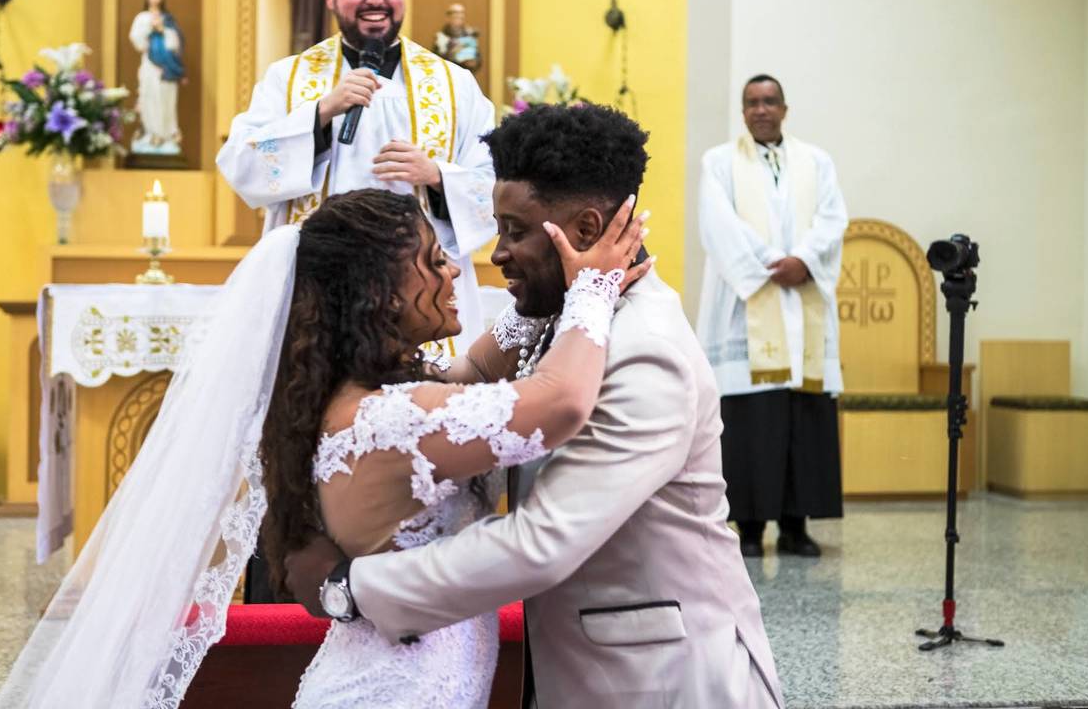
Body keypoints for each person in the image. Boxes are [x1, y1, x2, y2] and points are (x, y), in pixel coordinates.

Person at [0, 186, 650, 709]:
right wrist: (594, 288)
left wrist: (543, 297)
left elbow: (475, 372)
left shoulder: (366, 396)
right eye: (432, 259)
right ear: (377, 292)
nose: (455, 269)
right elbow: (559, 405)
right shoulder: (387, 419)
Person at [284, 104, 784, 709]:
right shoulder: (565, 317)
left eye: (515, 230)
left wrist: (350, 589)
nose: (494, 255)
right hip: (571, 667)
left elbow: (542, 540)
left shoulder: (644, 348)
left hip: (662, 678)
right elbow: (466, 380)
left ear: (585, 230)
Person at [216, 0, 496, 352]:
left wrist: (437, 175)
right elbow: (241, 165)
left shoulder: (456, 85)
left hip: (422, 295)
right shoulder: (289, 79)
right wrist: (319, 115)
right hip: (319, 291)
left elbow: (496, 184)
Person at [695, 74, 848, 558]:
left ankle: (796, 527)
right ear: (743, 112)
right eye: (751, 103)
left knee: (801, 416)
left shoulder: (816, 161)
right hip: (747, 304)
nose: (761, 110)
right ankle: (751, 526)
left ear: (785, 108)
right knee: (750, 421)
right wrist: (770, 264)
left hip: (802, 302)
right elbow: (718, 223)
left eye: (769, 102)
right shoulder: (719, 162)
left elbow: (833, 218)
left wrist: (803, 260)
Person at [129, 0, 185, 155]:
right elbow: (137, 41)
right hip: (150, 66)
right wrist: (150, 27)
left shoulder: (168, 19)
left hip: (166, 68)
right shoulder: (142, 18)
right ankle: (152, 133)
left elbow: (176, 43)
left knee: (166, 100)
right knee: (150, 98)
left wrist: (163, 29)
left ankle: (167, 135)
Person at [433, 2, 481, 72]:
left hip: (466, 73)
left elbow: (478, 58)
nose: (458, 18)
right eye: (455, 15)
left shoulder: (470, 35)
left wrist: (474, 63)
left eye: (460, 16)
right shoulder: (441, 37)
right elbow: (436, 59)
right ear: (448, 17)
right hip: (449, 72)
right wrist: (452, 54)